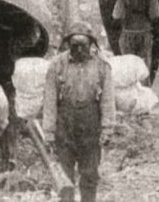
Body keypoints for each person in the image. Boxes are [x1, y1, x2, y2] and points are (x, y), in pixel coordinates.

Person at [42, 21, 115, 202]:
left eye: (84, 45)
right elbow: (50, 99)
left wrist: (107, 128)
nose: (80, 50)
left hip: (91, 122)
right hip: (65, 123)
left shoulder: (102, 66)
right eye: (75, 45)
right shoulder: (57, 65)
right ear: (68, 44)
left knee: (90, 173)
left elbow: (108, 99)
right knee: (64, 176)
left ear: (91, 44)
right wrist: (49, 132)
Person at [112, 0, 159, 83]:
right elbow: (117, 15)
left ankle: (143, 94)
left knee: (143, 69)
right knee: (128, 68)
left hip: (144, 35)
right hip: (128, 35)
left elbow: (156, 14)